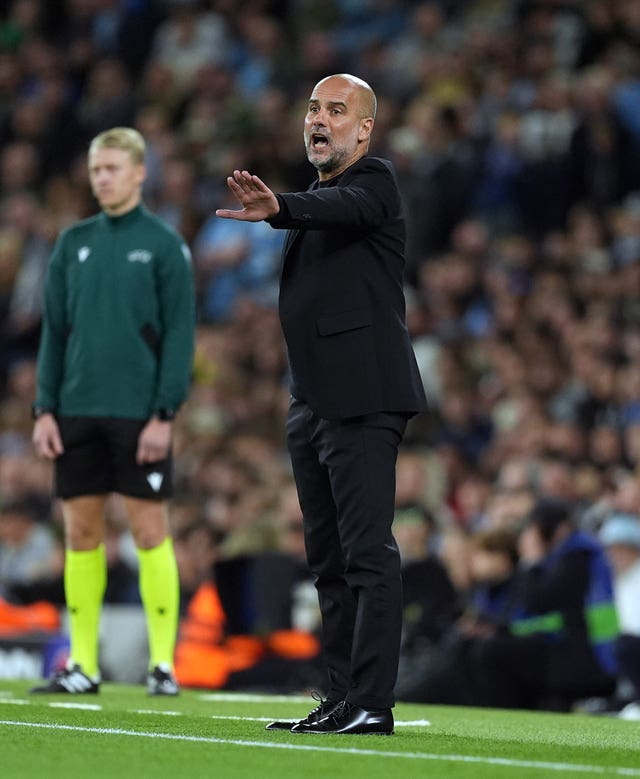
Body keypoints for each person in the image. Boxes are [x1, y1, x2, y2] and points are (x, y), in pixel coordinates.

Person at [216, 73, 427, 734]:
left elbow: (342, 210)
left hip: (363, 399)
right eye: (313, 108)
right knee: (328, 563)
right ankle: (338, 696)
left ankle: (372, 702)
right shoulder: (316, 197)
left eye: (337, 111)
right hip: (312, 403)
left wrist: (280, 207)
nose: (320, 120)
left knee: (367, 555)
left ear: (364, 129)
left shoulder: (374, 184)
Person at [30, 127, 196, 696]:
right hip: (76, 409)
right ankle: (82, 664)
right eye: (96, 169)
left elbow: (180, 336)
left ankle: (163, 665)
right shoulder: (72, 242)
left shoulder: (164, 244)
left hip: (138, 414)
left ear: (139, 173)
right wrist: (44, 407)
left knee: (150, 530)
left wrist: (165, 413)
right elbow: (54, 331)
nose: (102, 178)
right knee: (80, 532)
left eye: (112, 168)